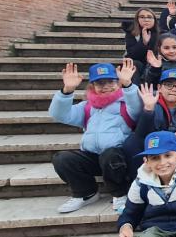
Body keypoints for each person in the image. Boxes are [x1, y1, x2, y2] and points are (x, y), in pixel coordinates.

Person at [50, 61, 141, 213]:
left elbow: (138, 108)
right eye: (100, 83)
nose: (105, 86)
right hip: (92, 156)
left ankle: (120, 194)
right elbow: (60, 115)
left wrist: (128, 85)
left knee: (110, 155)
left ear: (117, 82)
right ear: (93, 86)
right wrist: (67, 90)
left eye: (111, 81)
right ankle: (86, 193)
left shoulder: (125, 103)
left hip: (117, 158)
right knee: (62, 158)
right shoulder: (87, 106)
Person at [122, 8, 159, 84]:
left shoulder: (161, 33)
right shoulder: (131, 33)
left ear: (154, 20)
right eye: (142, 17)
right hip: (139, 64)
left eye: (149, 17)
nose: (146, 19)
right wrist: (144, 43)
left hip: (155, 63)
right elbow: (131, 55)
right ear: (137, 19)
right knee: (133, 63)